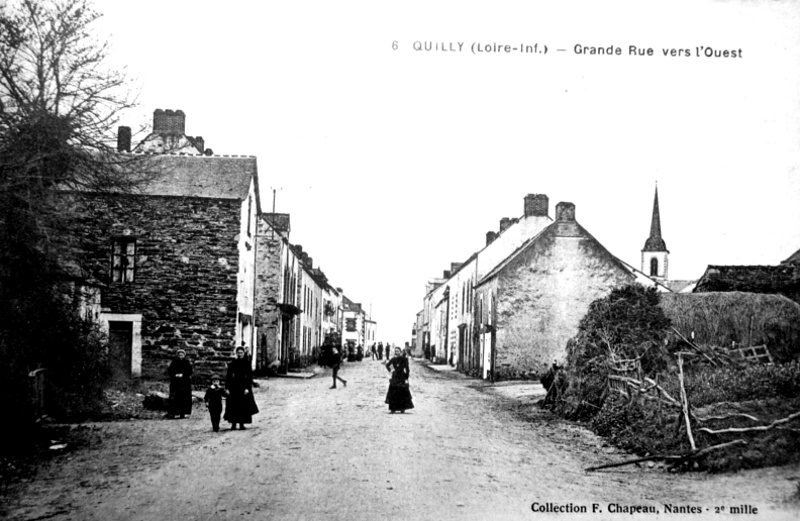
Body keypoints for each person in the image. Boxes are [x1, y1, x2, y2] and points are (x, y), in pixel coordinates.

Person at [224, 346, 259, 430]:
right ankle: (233, 424)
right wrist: (227, 388)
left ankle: (241, 424)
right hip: (234, 387)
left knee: (243, 406)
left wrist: (247, 388)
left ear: (244, 353)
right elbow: (228, 376)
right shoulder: (233, 363)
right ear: (236, 353)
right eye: (238, 353)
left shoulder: (247, 363)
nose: (240, 354)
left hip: (243, 387)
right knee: (233, 405)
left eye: (241, 353)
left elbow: (249, 377)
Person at [385, 347, 414, 413]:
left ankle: (402, 408)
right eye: (395, 351)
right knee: (393, 392)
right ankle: (393, 409)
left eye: (397, 351)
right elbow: (388, 365)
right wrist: (393, 371)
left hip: (402, 377)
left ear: (400, 352)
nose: (396, 352)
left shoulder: (404, 359)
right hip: (395, 377)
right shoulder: (393, 359)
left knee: (402, 392)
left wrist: (406, 377)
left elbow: (407, 369)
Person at [167, 349, 193, 419]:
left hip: (185, 383)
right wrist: (175, 375)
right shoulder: (174, 362)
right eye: (179, 355)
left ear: (184, 355)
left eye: (182, 355)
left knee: (185, 397)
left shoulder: (187, 362)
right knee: (176, 397)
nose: (180, 356)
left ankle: (185, 413)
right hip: (176, 382)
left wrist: (183, 375)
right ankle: (176, 413)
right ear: (177, 355)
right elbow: (170, 371)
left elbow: (190, 371)